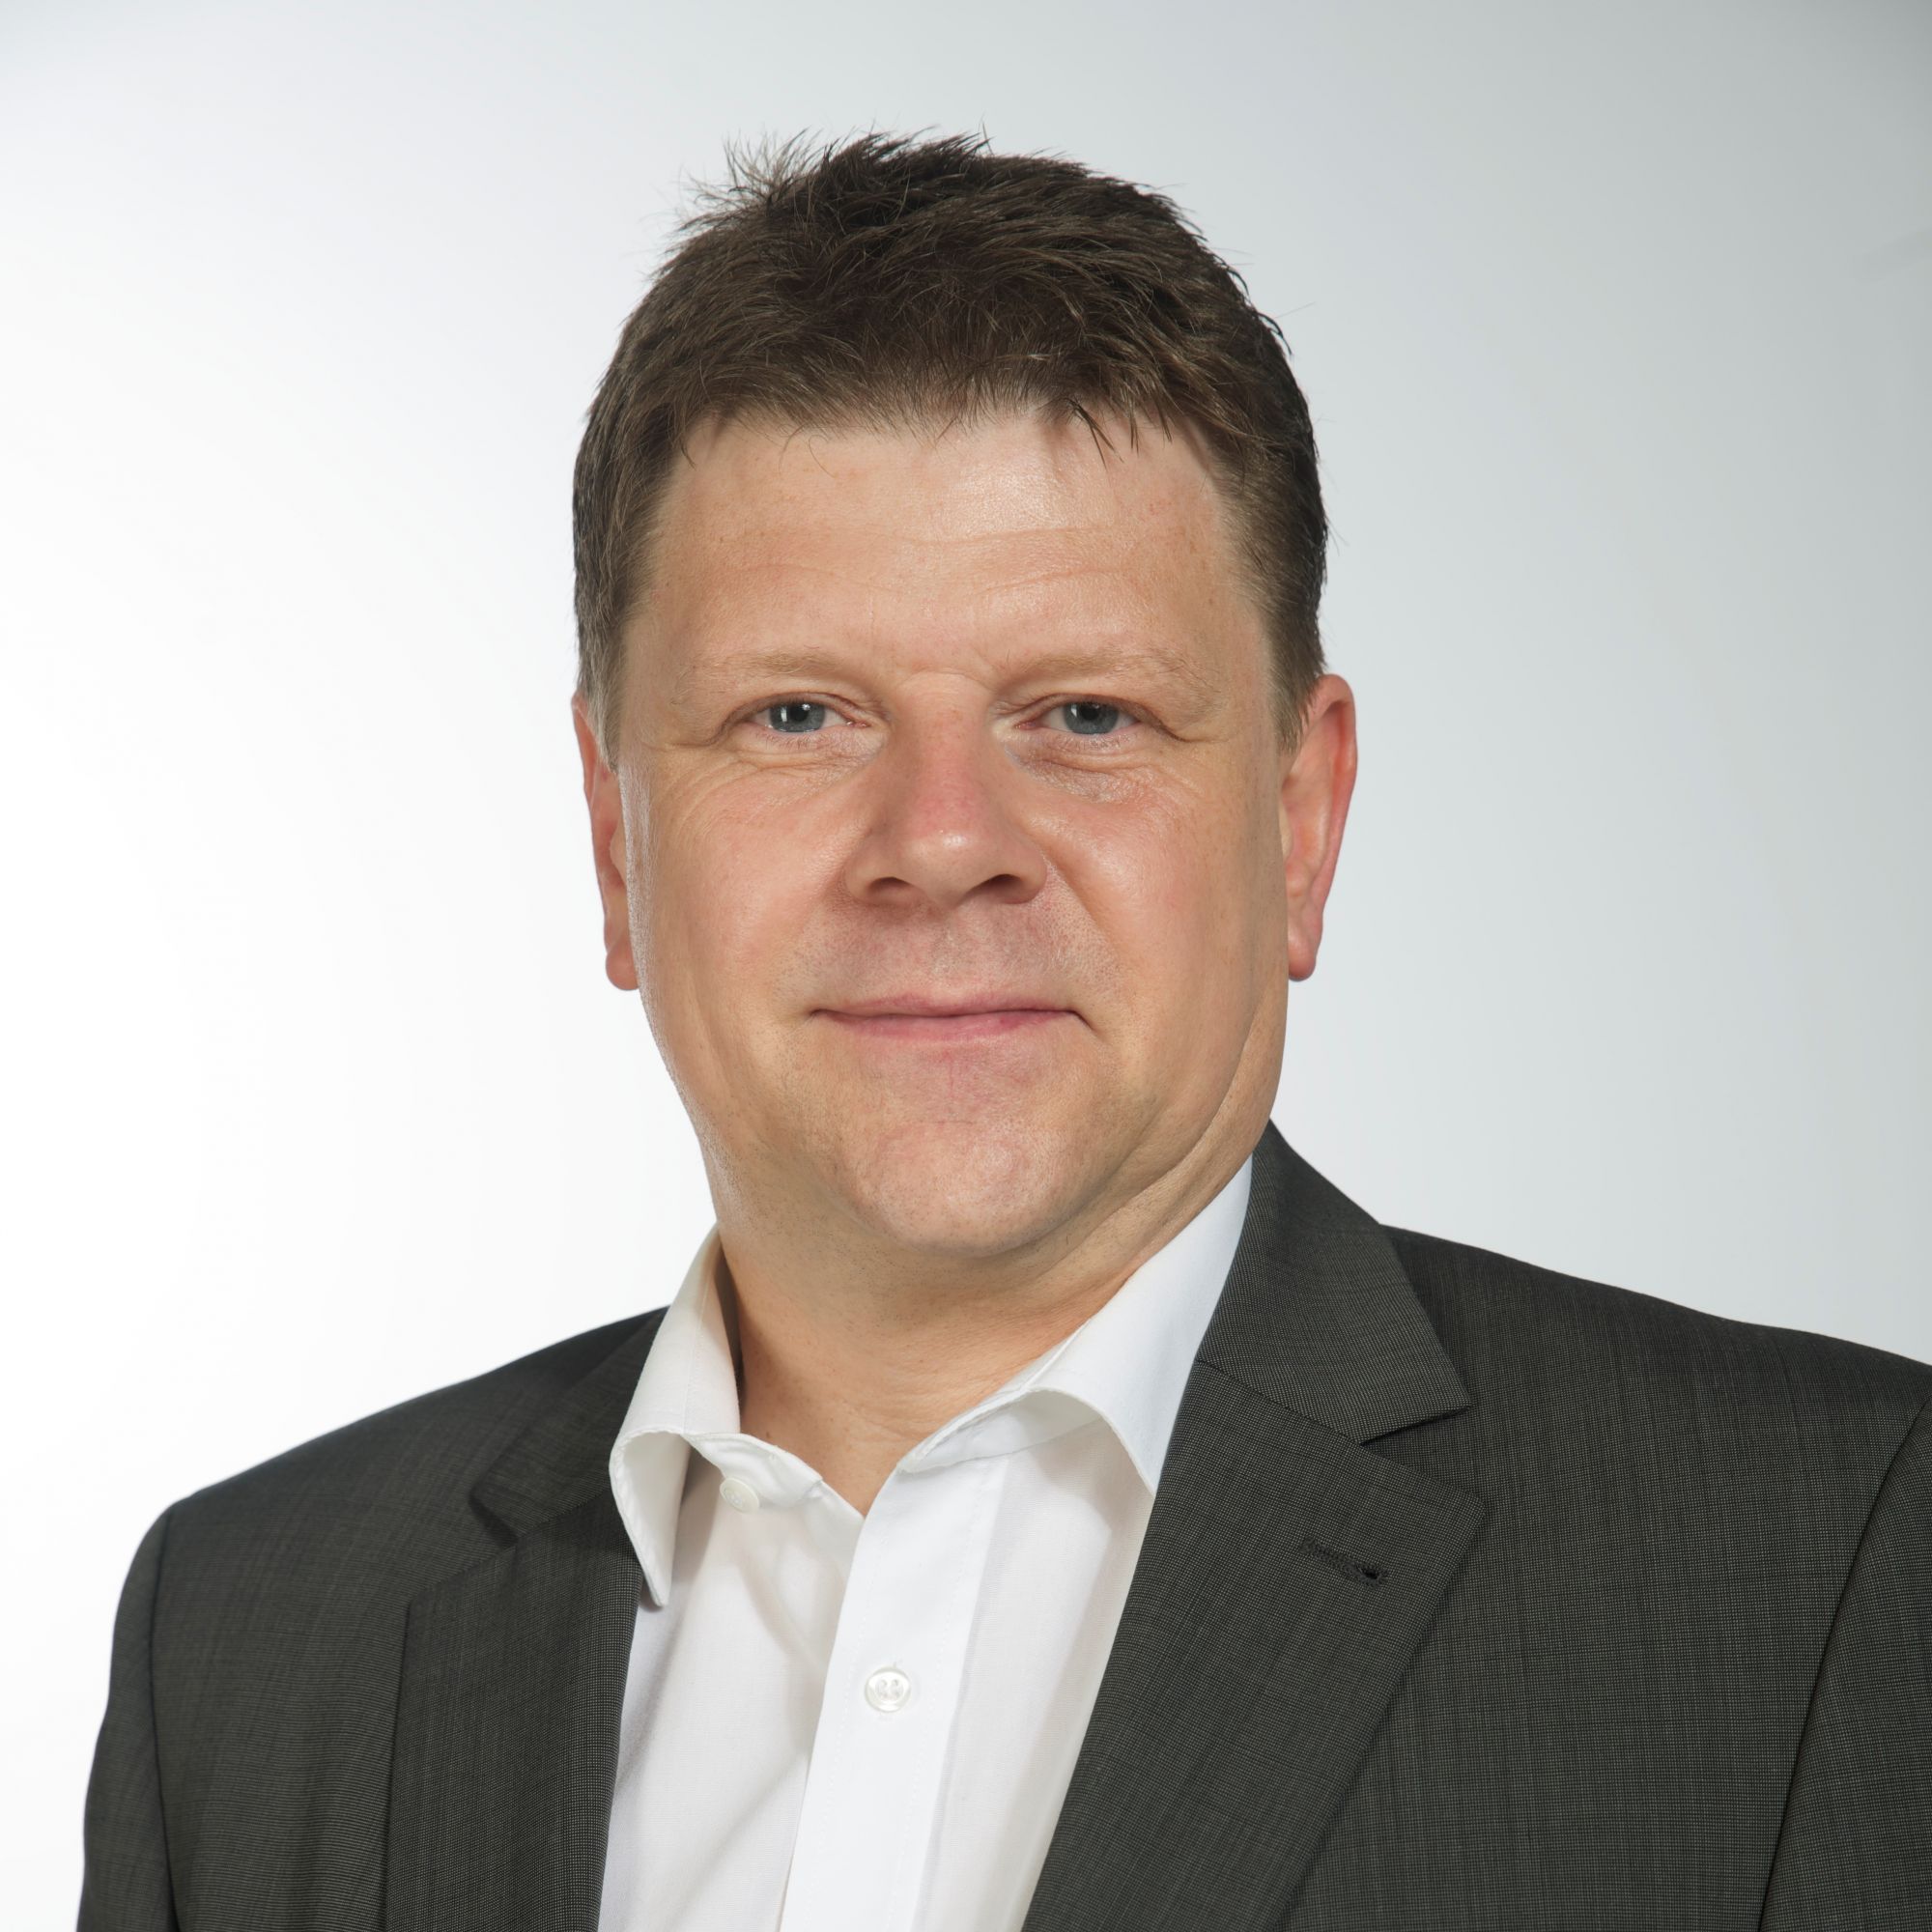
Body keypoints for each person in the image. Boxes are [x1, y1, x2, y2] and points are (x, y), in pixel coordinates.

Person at [80, 132, 1929, 1932]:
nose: (945, 842)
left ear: (1301, 822)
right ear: (613, 835)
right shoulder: (247, 1643)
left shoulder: (1820, 1568)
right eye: (799, 717)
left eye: (1087, 717)